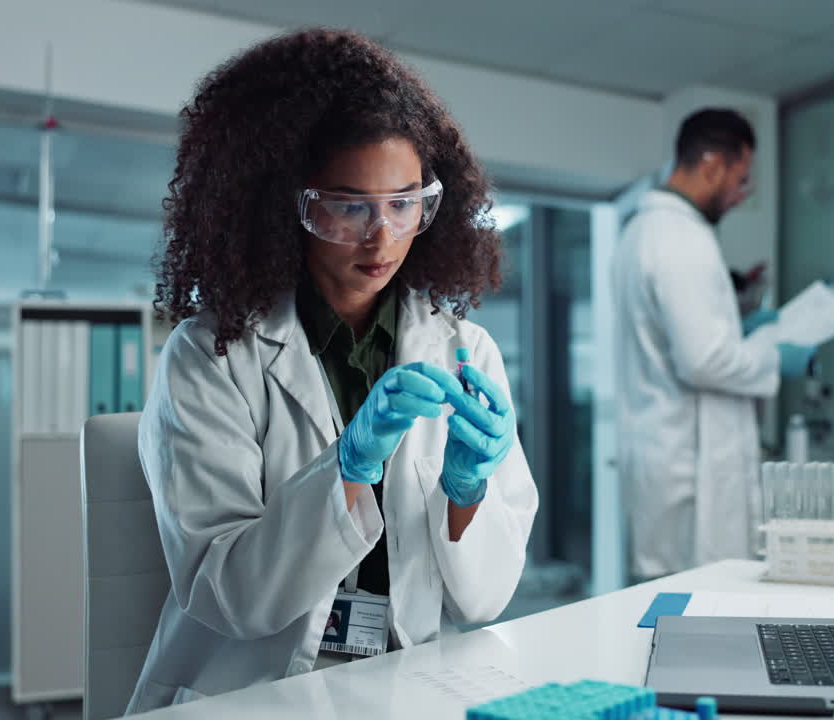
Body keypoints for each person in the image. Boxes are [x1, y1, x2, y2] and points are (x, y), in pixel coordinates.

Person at [127, 29, 538, 712]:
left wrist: (467, 492)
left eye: (405, 203)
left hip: (404, 684)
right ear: (288, 204)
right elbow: (230, 597)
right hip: (252, 693)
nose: (382, 237)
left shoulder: (468, 351)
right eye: (350, 206)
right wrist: (343, 470)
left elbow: (484, 601)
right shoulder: (211, 356)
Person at [612, 108, 813, 580]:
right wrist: (772, 352)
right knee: (696, 610)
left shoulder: (643, 232)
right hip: (689, 468)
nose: (742, 195)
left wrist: (738, 312)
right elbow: (703, 360)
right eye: (741, 179)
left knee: (665, 604)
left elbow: (673, 333)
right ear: (711, 165)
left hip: (663, 452)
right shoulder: (682, 238)